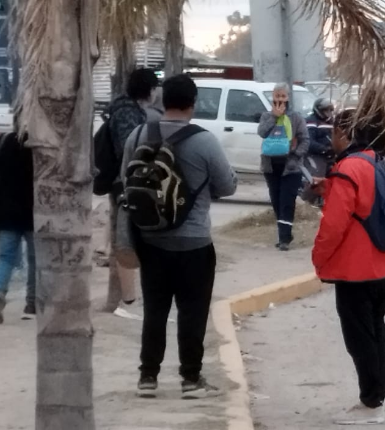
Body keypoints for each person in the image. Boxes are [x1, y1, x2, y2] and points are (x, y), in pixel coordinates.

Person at [122, 74, 238, 399]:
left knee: (155, 310)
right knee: (192, 311)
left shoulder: (138, 135)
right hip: (194, 243)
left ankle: (148, 377)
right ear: (193, 103)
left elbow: (125, 180)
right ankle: (191, 379)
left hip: (151, 241)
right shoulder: (204, 140)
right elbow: (227, 186)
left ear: (164, 99)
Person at [312, 110, 385, 425]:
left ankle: (371, 403)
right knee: (376, 332)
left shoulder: (347, 168)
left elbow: (334, 225)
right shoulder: (376, 161)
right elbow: (365, 203)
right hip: (384, 266)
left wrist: (318, 258)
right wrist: (331, 189)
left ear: (345, 134)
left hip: (356, 270)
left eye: (334, 133)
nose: (331, 139)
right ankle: (377, 395)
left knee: (359, 338)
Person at [103, 68, 161, 313]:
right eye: (155, 87)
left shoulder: (129, 110)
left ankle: (122, 299)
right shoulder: (128, 113)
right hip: (125, 183)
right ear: (147, 89)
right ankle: (124, 300)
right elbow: (130, 149)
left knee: (125, 238)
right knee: (125, 240)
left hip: (126, 182)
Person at [257, 83, 310, 251]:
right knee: (277, 202)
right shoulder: (266, 116)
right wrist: (274, 117)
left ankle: (285, 238)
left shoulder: (296, 117)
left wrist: (296, 155)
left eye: (283, 96)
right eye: (277, 96)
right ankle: (283, 233)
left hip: (291, 167)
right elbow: (262, 133)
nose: (279, 100)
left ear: (288, 98)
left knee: (287, 201)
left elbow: (305, 139)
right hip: (271, 167)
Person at [0, 132, 36, 323]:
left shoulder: (5, 141)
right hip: (33, 211)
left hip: (6, 212)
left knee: (4, 258)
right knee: (35, 260)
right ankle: (31, 304)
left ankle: (0, 294)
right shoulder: (40, 144)